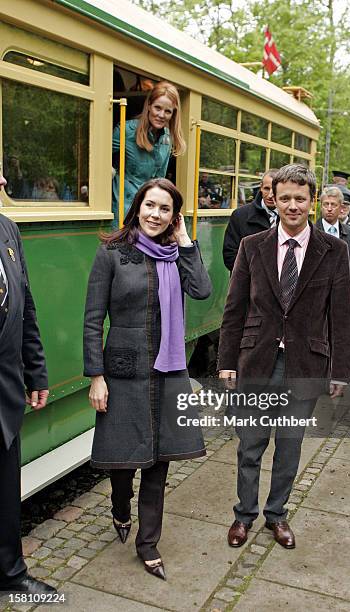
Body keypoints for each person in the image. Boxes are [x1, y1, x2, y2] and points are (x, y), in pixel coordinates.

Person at [218, 164, 350, 549]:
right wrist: (227, 361)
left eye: (301, 198)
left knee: (290, 446)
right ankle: (244, 514)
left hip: (306, 366)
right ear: (273, 199)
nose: (293, 205)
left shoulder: (334, 250)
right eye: (286, 198)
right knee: (250, 444)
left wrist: (339, 371)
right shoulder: (252, 245)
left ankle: (276, 515)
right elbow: (235, 309)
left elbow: (341, 315)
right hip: (257, 363)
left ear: (312, 202)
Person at [83, 178, 211, 581]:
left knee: (160, 461)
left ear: (174, 217)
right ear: (138, 206)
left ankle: (148, 544)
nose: (156, 215)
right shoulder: (113, 253)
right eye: (150, 206)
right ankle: (120, 508)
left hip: (169, 372)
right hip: (123, 372)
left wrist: (187, 243)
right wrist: (96, 377)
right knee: (123, 462)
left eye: (165, 209)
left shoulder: (178, 255)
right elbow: (91, 319)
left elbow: (203, 290)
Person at [0, 172, 56, 596]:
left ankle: (10, 572)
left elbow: (25, 303)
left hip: (6, 389)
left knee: (5, 489)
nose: (3, 180)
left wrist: (35, 371)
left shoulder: (7, 228)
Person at [112, 81, 186, 226]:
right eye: (157, 108)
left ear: (173, 114)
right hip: (124, 210)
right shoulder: (126, 130)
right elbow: (100, 159)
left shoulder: (167, 138)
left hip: (151, 213)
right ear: (149, 106)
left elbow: (160, 180)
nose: (161, 115)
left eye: (167, 111)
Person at [223, 169, 279, 271]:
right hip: (247, 283)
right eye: (267, 188)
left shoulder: (290, 217)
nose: (271, 195)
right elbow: (230, 256)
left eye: (275, 189)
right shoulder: (240, 216)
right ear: (261, 187)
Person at [315, 186, 350, 308]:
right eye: (325, 204)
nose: (329, 208)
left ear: (340, 207)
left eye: (333, 205)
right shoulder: (310, 232)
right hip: (315, 296)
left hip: (341, 294)